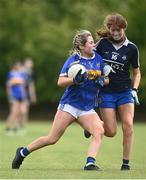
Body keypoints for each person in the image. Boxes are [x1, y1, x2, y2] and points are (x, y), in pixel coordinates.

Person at [12, 30, 109, 170]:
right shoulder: (73, 60)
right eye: (91, 42)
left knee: (99, 132)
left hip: (87, 107)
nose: (94, 44)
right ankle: (22, 152)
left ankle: (90, 163)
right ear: (82, 46)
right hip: (70, 105)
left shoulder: (98, 59)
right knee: (52, 139)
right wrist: (74, 80)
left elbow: (106, 79)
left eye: (93, 42)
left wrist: (102, 80)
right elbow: (60, 81)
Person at [84, 13, 141, 170]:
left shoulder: (132, 48)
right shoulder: (102, 44)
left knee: (128, 125)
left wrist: (134, 89)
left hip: (125, 92)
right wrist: (100, 71)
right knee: (110, 132)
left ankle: (125, 164)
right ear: (109, 29)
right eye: (112, 30)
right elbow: (90, 60)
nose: (115, 33)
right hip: (106, 92)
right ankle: (91, 126)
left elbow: (137, 72)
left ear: (123, 28)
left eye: (118, 30)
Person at [5, 62, 28, 135]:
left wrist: (24, 95)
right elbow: (9, 85)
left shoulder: (21, 74)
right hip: (14, 96)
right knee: (13, 112)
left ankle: (15, 128)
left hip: (20, 96)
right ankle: (8, 128)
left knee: (19, 112)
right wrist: (10, 96)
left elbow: (22, 86)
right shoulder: (11, 73)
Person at [19, 58, 37, 129]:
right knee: (21, 110)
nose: (31, 65)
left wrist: (33, 95)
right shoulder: (21, 71)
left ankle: (22, 125)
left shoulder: (30, 72)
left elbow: (31, 85)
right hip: (20, 92)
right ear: (25, 63)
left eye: (31, 63)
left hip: (26, 93)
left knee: (25, 110)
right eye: (29, 63)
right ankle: (19, 124)